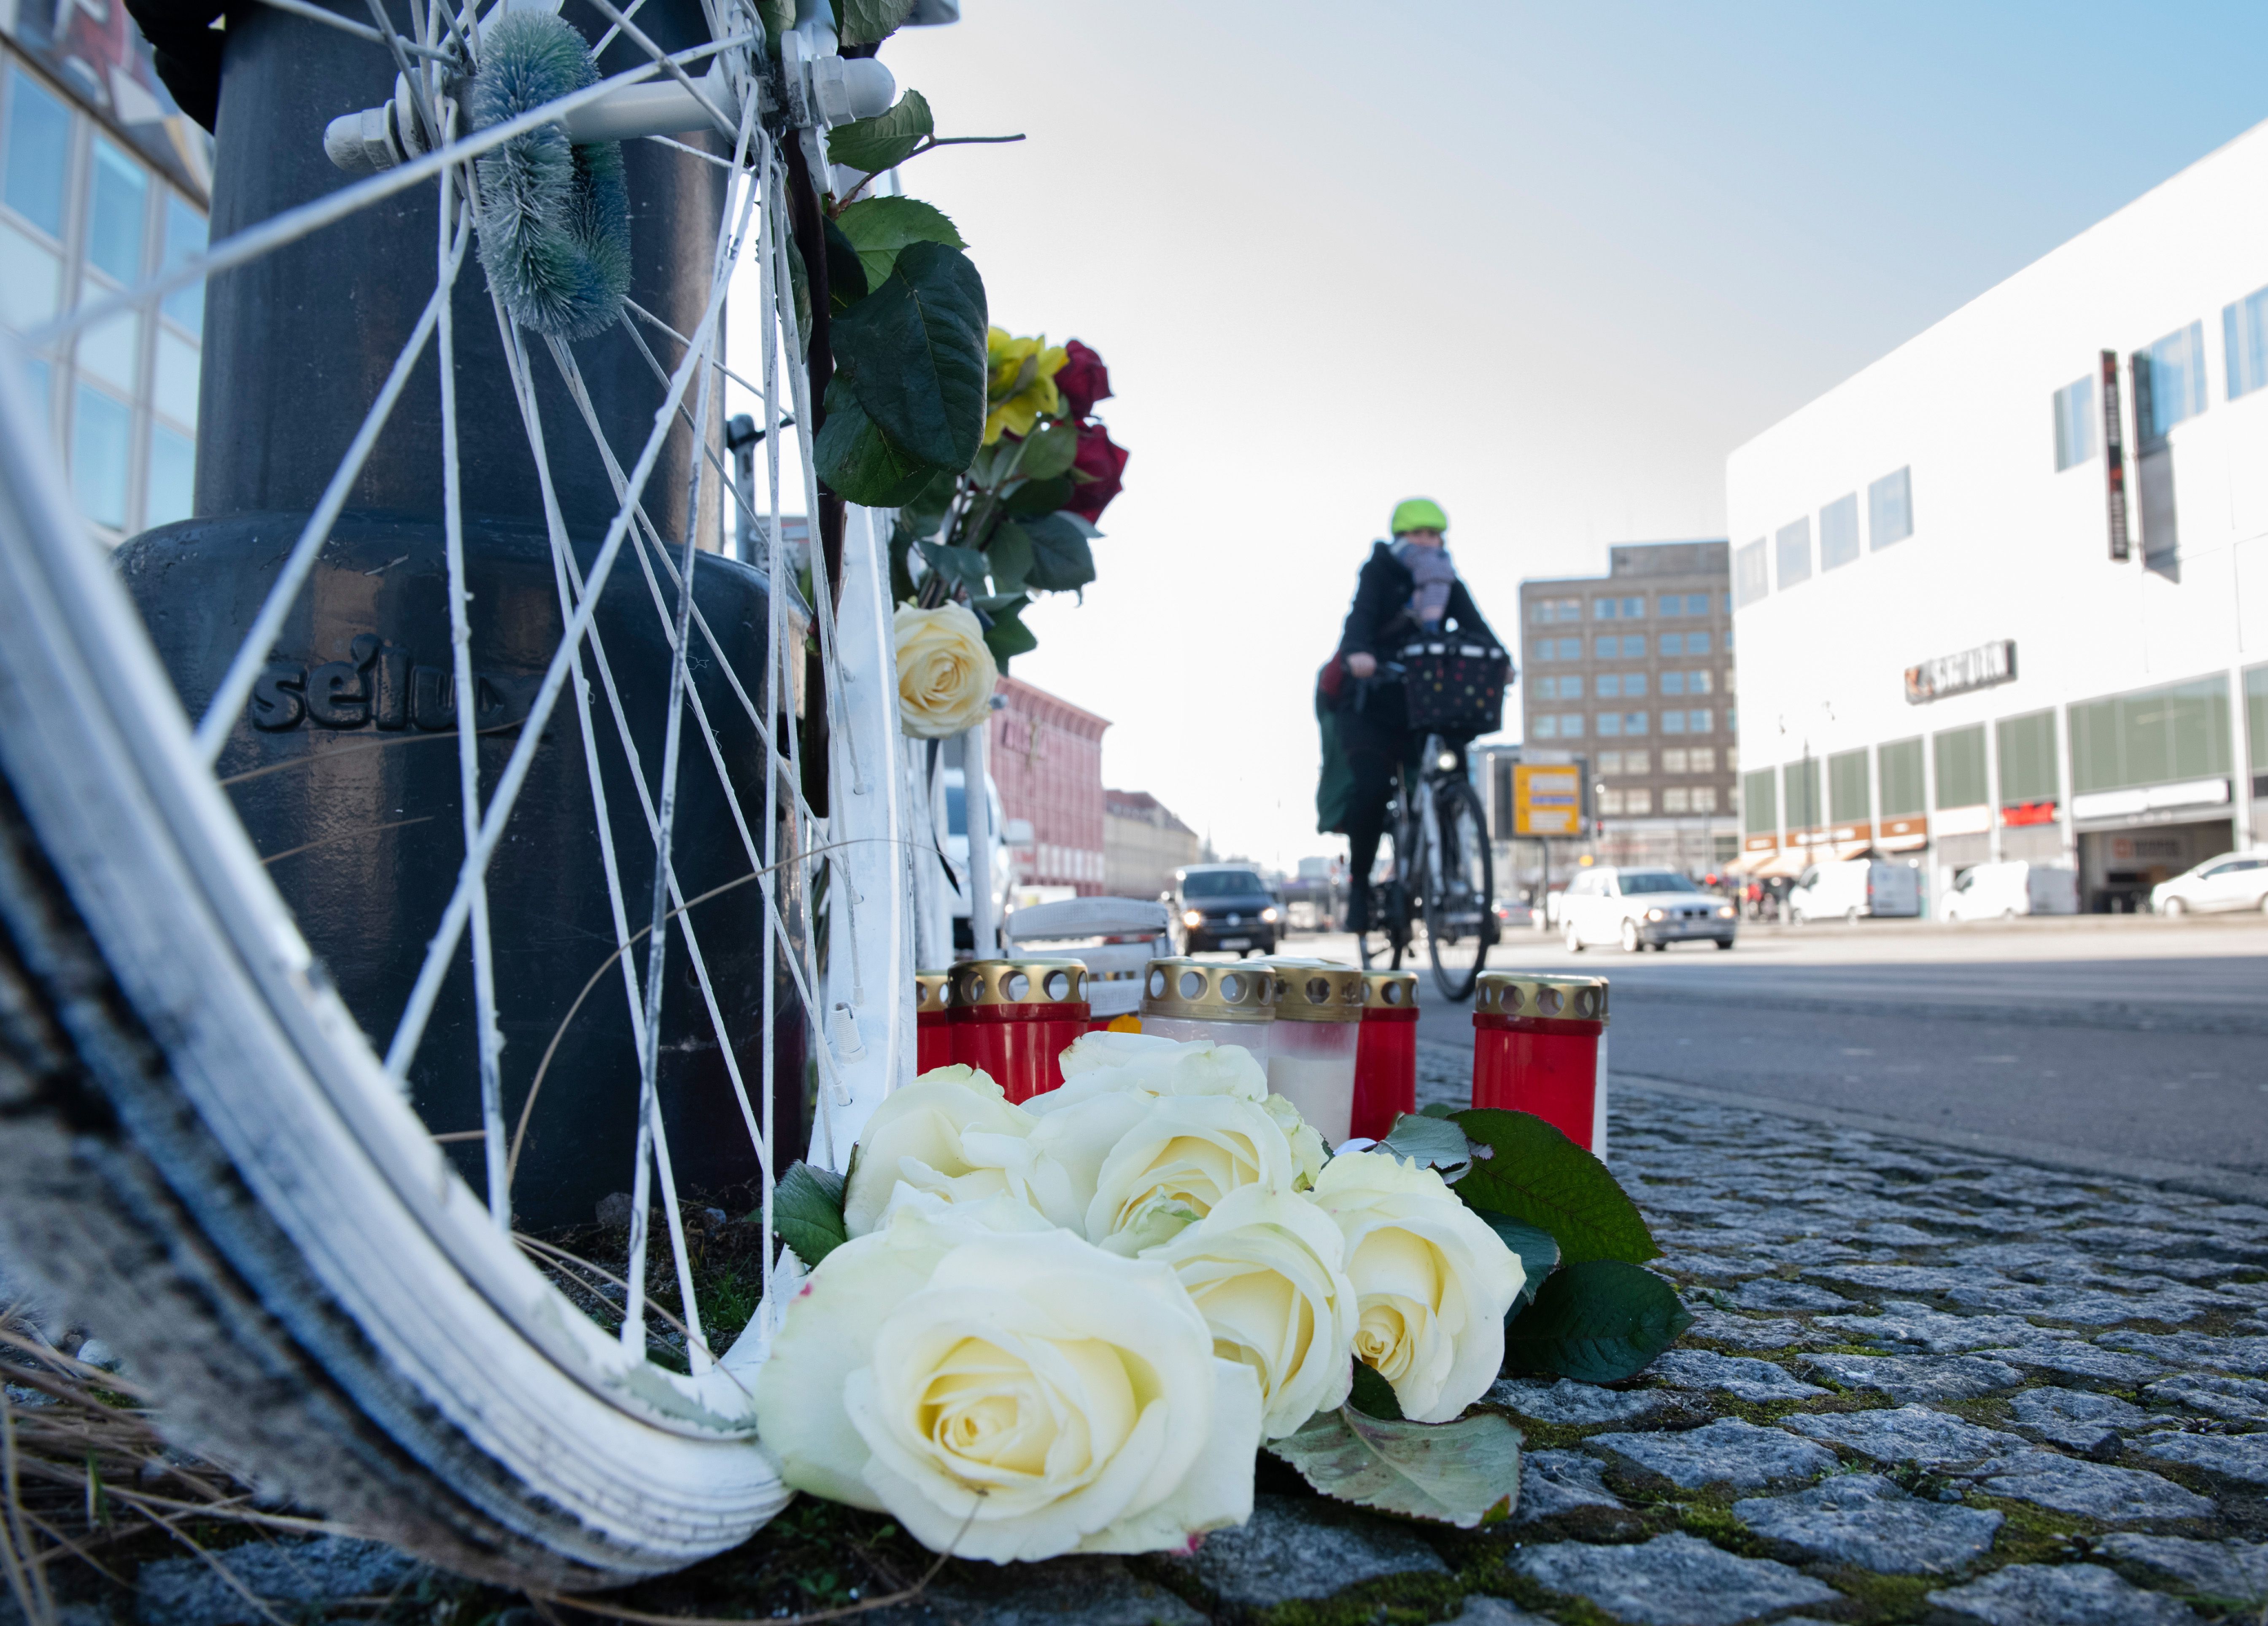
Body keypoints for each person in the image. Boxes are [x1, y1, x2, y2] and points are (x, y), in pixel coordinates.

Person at [1325, 498, 1505, 933]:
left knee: (1452, 771)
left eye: (1435, 536)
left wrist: (1500, 658)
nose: (1428, 543)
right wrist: (1358, 654)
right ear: (1400, 538)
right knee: (1370, 789)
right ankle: (1361, 887)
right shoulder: (1379, 571)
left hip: (1421, 703)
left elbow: (1476, 626)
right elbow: (1359, 618)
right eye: (1419, 535)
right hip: (1370, 698)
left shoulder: (1446, 581)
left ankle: (1456, 877)